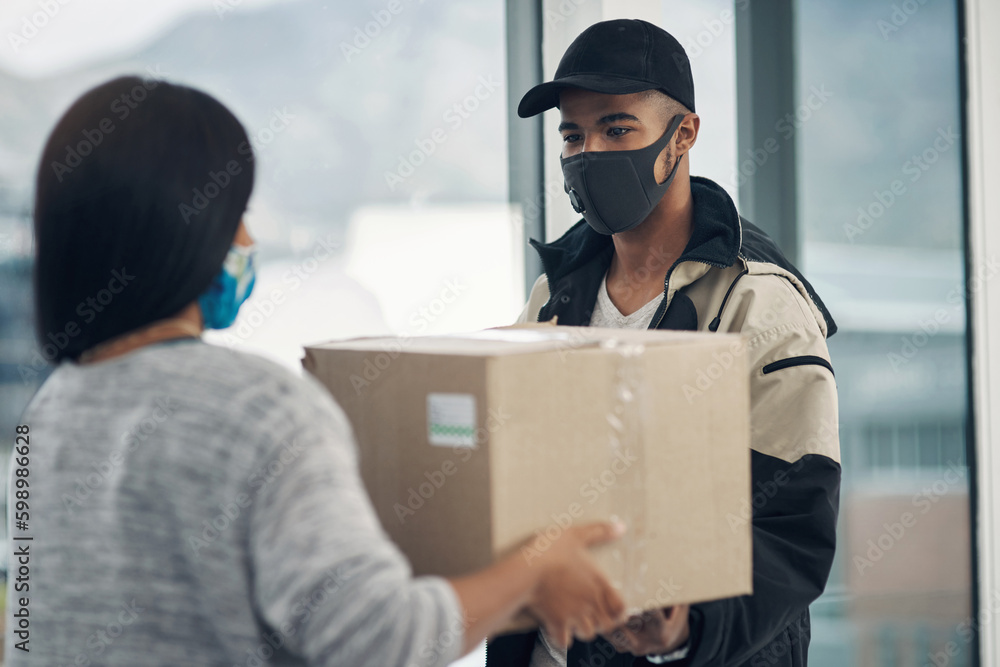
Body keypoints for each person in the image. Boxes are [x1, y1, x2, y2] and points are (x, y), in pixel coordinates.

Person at [8, 76, 630, 666]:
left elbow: (35, 628)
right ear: (181, 228)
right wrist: (533, 572)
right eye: (235, 212)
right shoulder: (257, 407)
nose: (248, 237)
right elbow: (377, 639)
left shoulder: (50, 413)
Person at [486, 19, 841, 667]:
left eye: (617, 128)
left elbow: (793, 528)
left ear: (683, 135)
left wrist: (688, 628)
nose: (588, 151)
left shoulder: (760, 304)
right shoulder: (555, 296)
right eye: (572, 133)